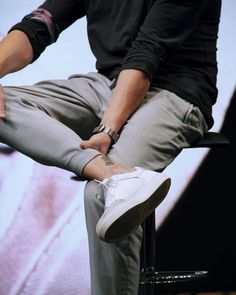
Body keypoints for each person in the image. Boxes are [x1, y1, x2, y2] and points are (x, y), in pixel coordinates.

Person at [0, 0, 221, 294]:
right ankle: (114, 174)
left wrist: (108, 129)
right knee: (114, 185)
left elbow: (147, 53)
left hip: (175, 89)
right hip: (107, 83)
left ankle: (112, 180)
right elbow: (38, 26)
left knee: (104, 196)